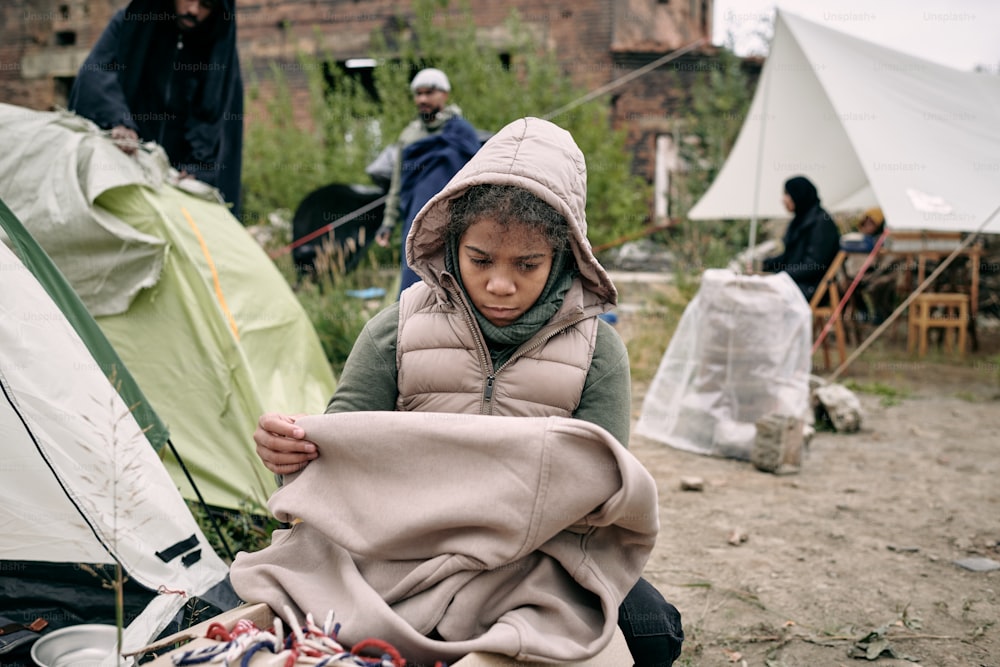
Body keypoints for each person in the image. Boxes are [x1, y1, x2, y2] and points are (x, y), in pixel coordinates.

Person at [255, 117, 684, 666]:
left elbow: (598, 493)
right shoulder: (397, 329)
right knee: (260, 602)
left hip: (537, 559)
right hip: (398, 547)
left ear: (562, 257)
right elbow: (338, 460)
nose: (500, 284)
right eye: (480, 259)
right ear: (453, 243)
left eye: (527, 265)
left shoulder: (598, 352)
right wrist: (288, 455)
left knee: (653, 632)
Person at [68, 0, 244, 219]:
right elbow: (95, 75)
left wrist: (201, 169)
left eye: (206, 4)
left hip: (180, 189)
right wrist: (119, 121)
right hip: (124, 167)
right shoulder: (131, 26)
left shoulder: (220, 54)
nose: (193, 10)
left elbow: (221, 122)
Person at [374, 67, 482, 295]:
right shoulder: (409, 136)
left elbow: (477, 176)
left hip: (456, 219)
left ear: (444, 94)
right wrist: (388, 222)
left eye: (429, 93)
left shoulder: (461, 132)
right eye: (418, 94)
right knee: (415, 278)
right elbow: (397, 185)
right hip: (416, 218)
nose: (422, 99)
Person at [762, 175, 841, 301]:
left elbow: (813, 265)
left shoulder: (821, 222)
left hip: (812, 287)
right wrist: (765, 264)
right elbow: (790, 257)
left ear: (799, 194)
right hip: (796, 282)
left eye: (787, 194)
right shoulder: (800, 221)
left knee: (761, 296)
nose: (783, 199)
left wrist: (781, 276)